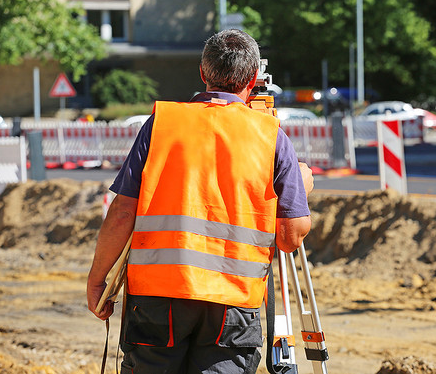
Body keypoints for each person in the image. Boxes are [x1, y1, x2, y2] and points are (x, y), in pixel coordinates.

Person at [87, 29, 314, 373]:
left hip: (158, 297)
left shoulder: (161, 125)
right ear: (254, 78)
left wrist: (97, 280)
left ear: (203, 73)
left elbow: (122, 213)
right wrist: (302, 187)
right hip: (232, 304)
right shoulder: (271, 137)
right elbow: (290, 237)